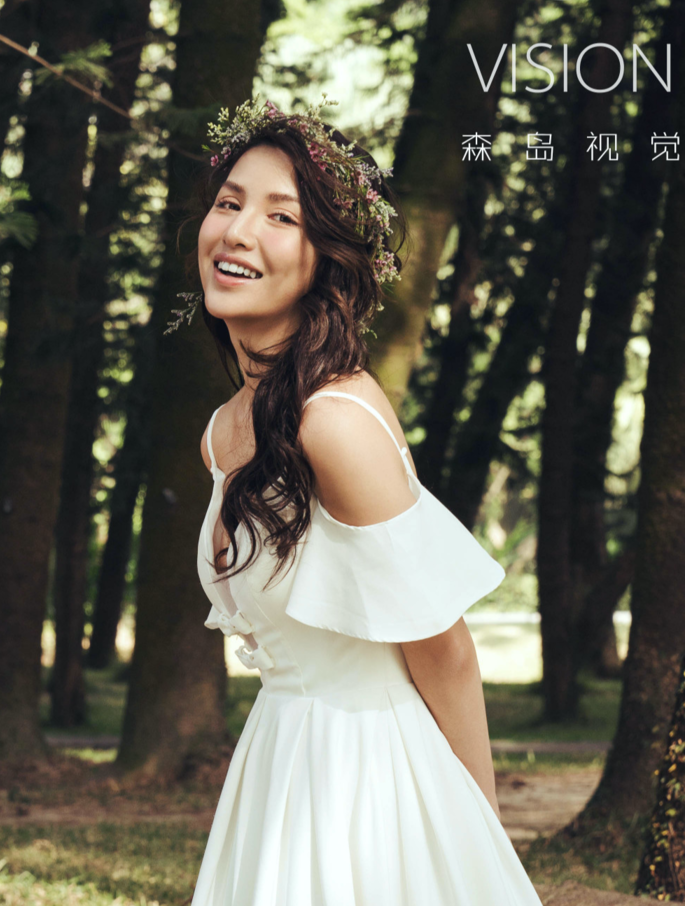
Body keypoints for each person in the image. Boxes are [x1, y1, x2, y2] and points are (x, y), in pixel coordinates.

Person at [170, 96, 543, 905]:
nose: (237, 232)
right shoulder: (224, 428)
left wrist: (475, 836)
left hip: (370, 778)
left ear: (327, 259)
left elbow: (445, 651)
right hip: (277, 759)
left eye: (281, 216)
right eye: (229, 203)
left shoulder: (335, 420)